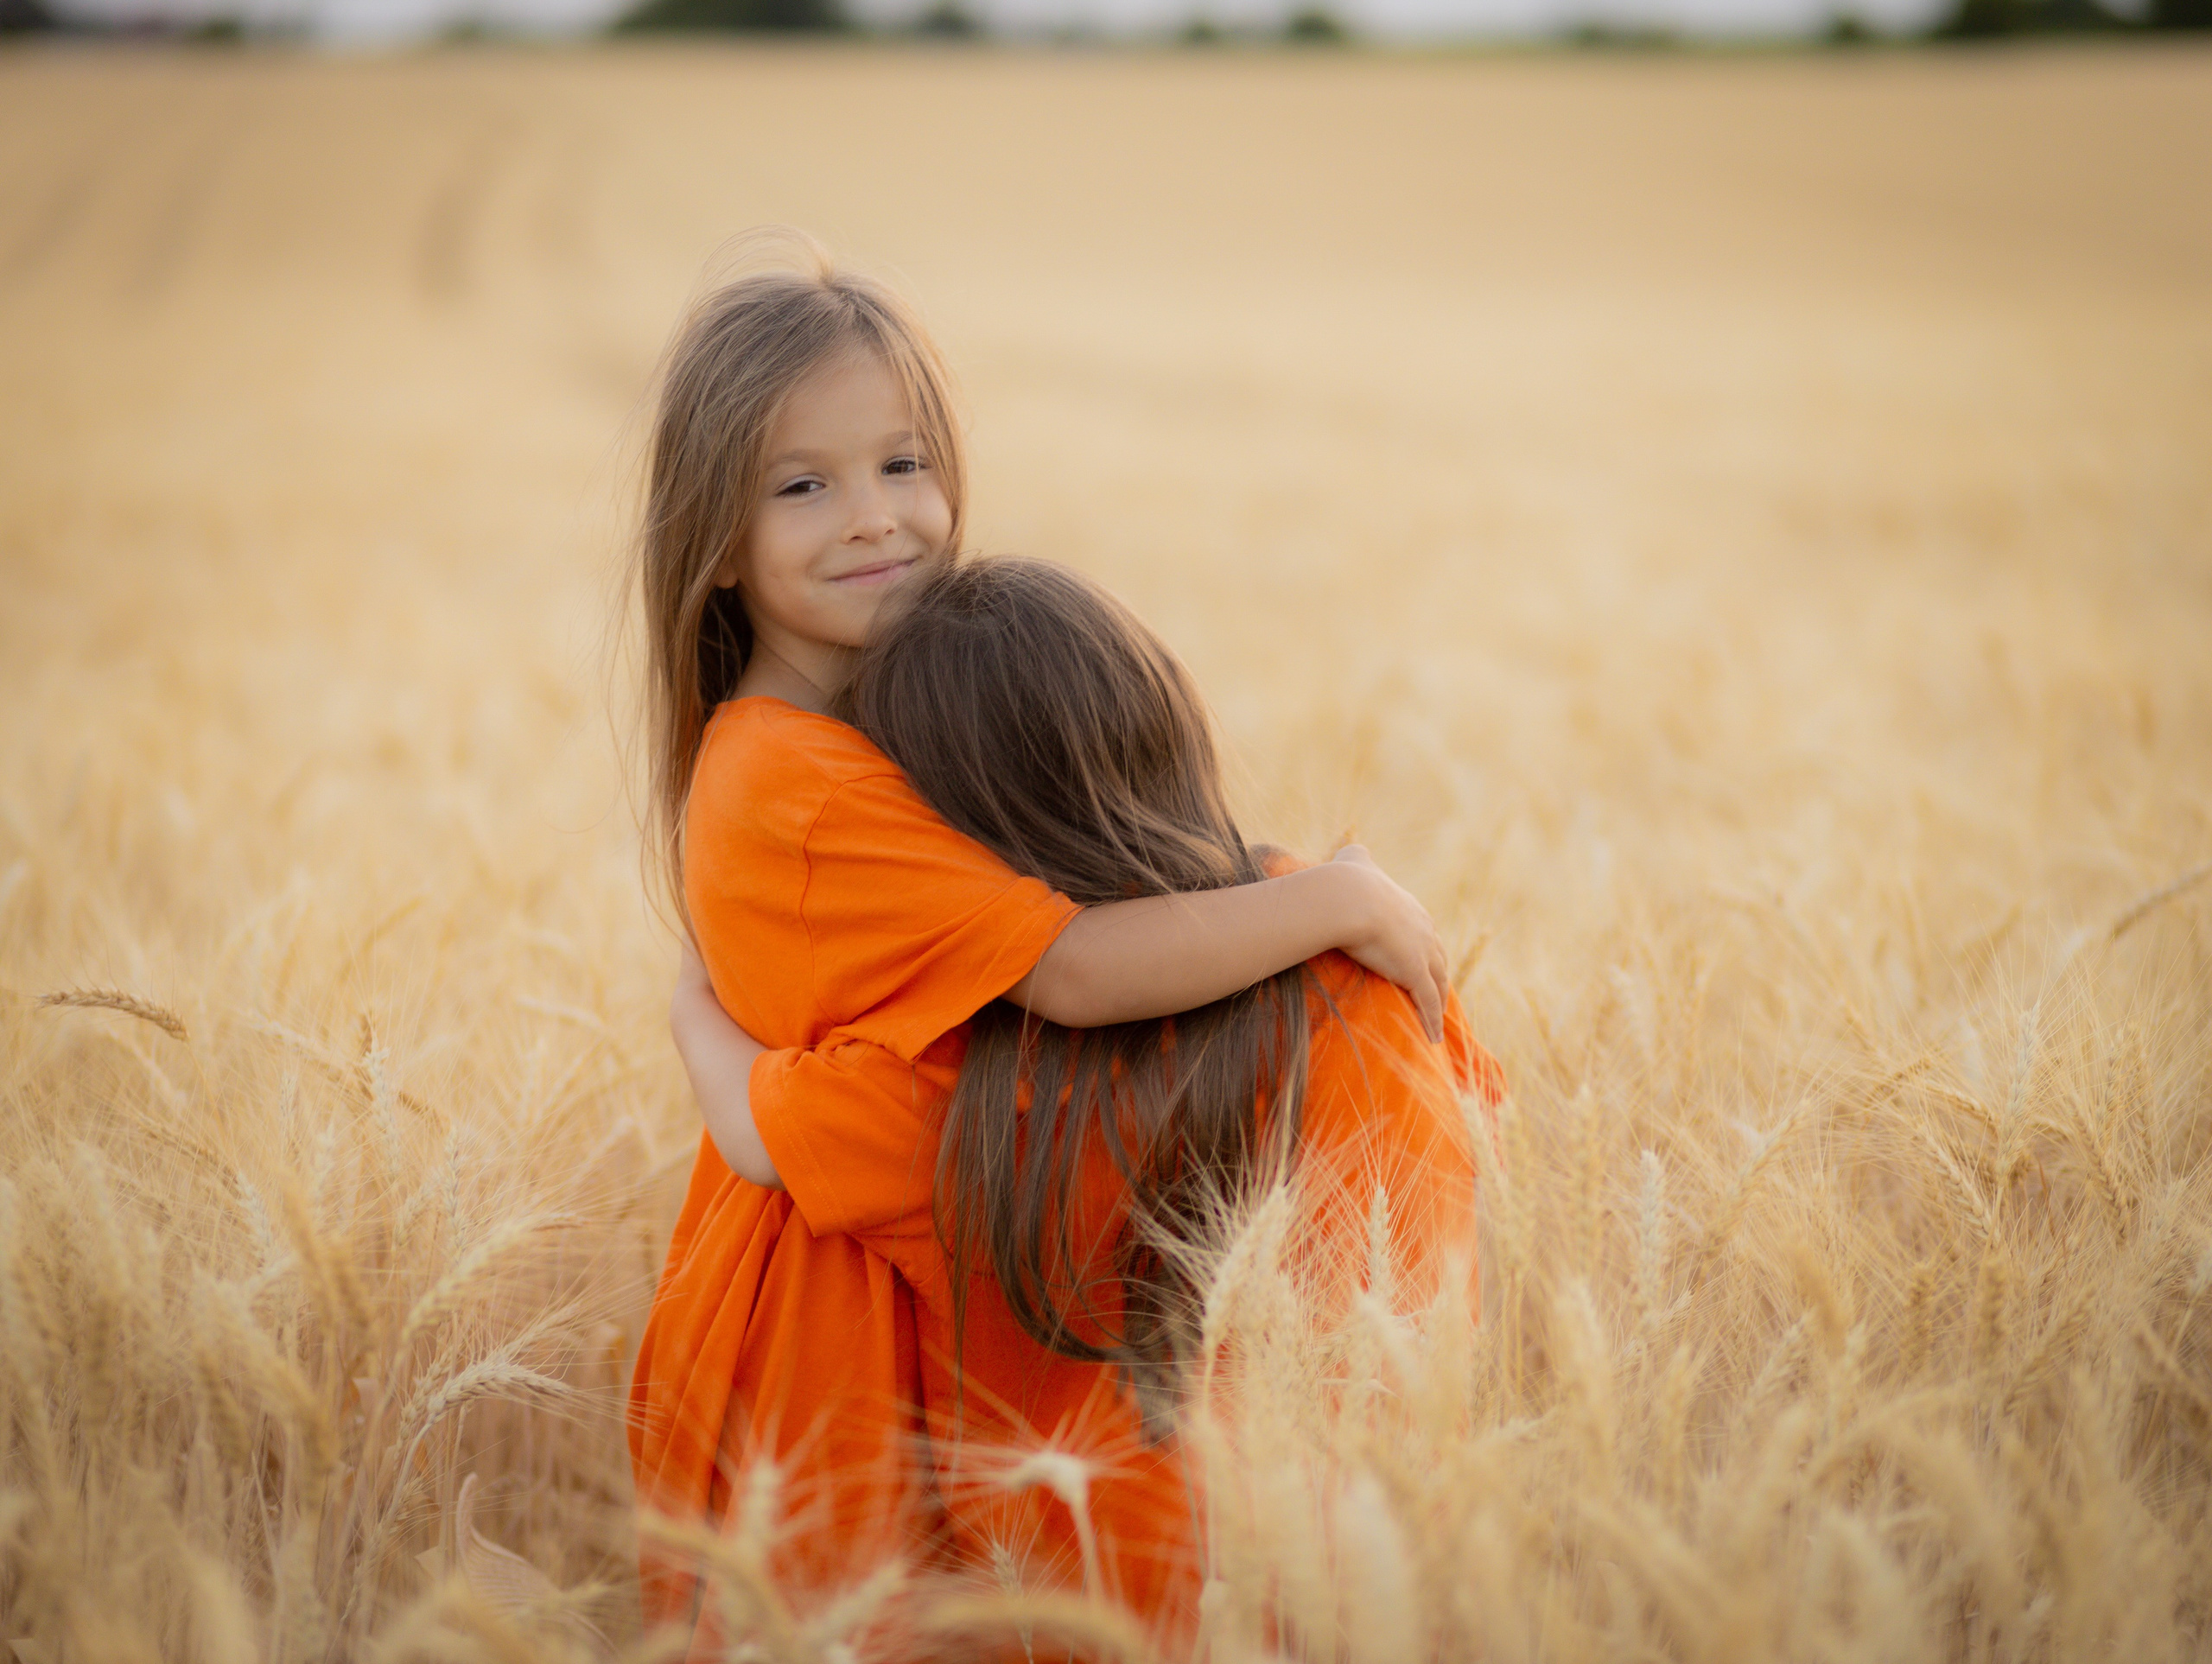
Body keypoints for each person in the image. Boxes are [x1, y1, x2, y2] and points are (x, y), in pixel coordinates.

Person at [623, 238, 1460, 1652]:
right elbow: (1068, 966)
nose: (875, 517)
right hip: (849, 1320)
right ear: (713, 540)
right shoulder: (790, 779)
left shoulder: (861, 722)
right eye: (802, 485)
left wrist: (702, 1039)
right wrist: (1333, 902)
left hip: (915, 1232)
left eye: (903, 463)